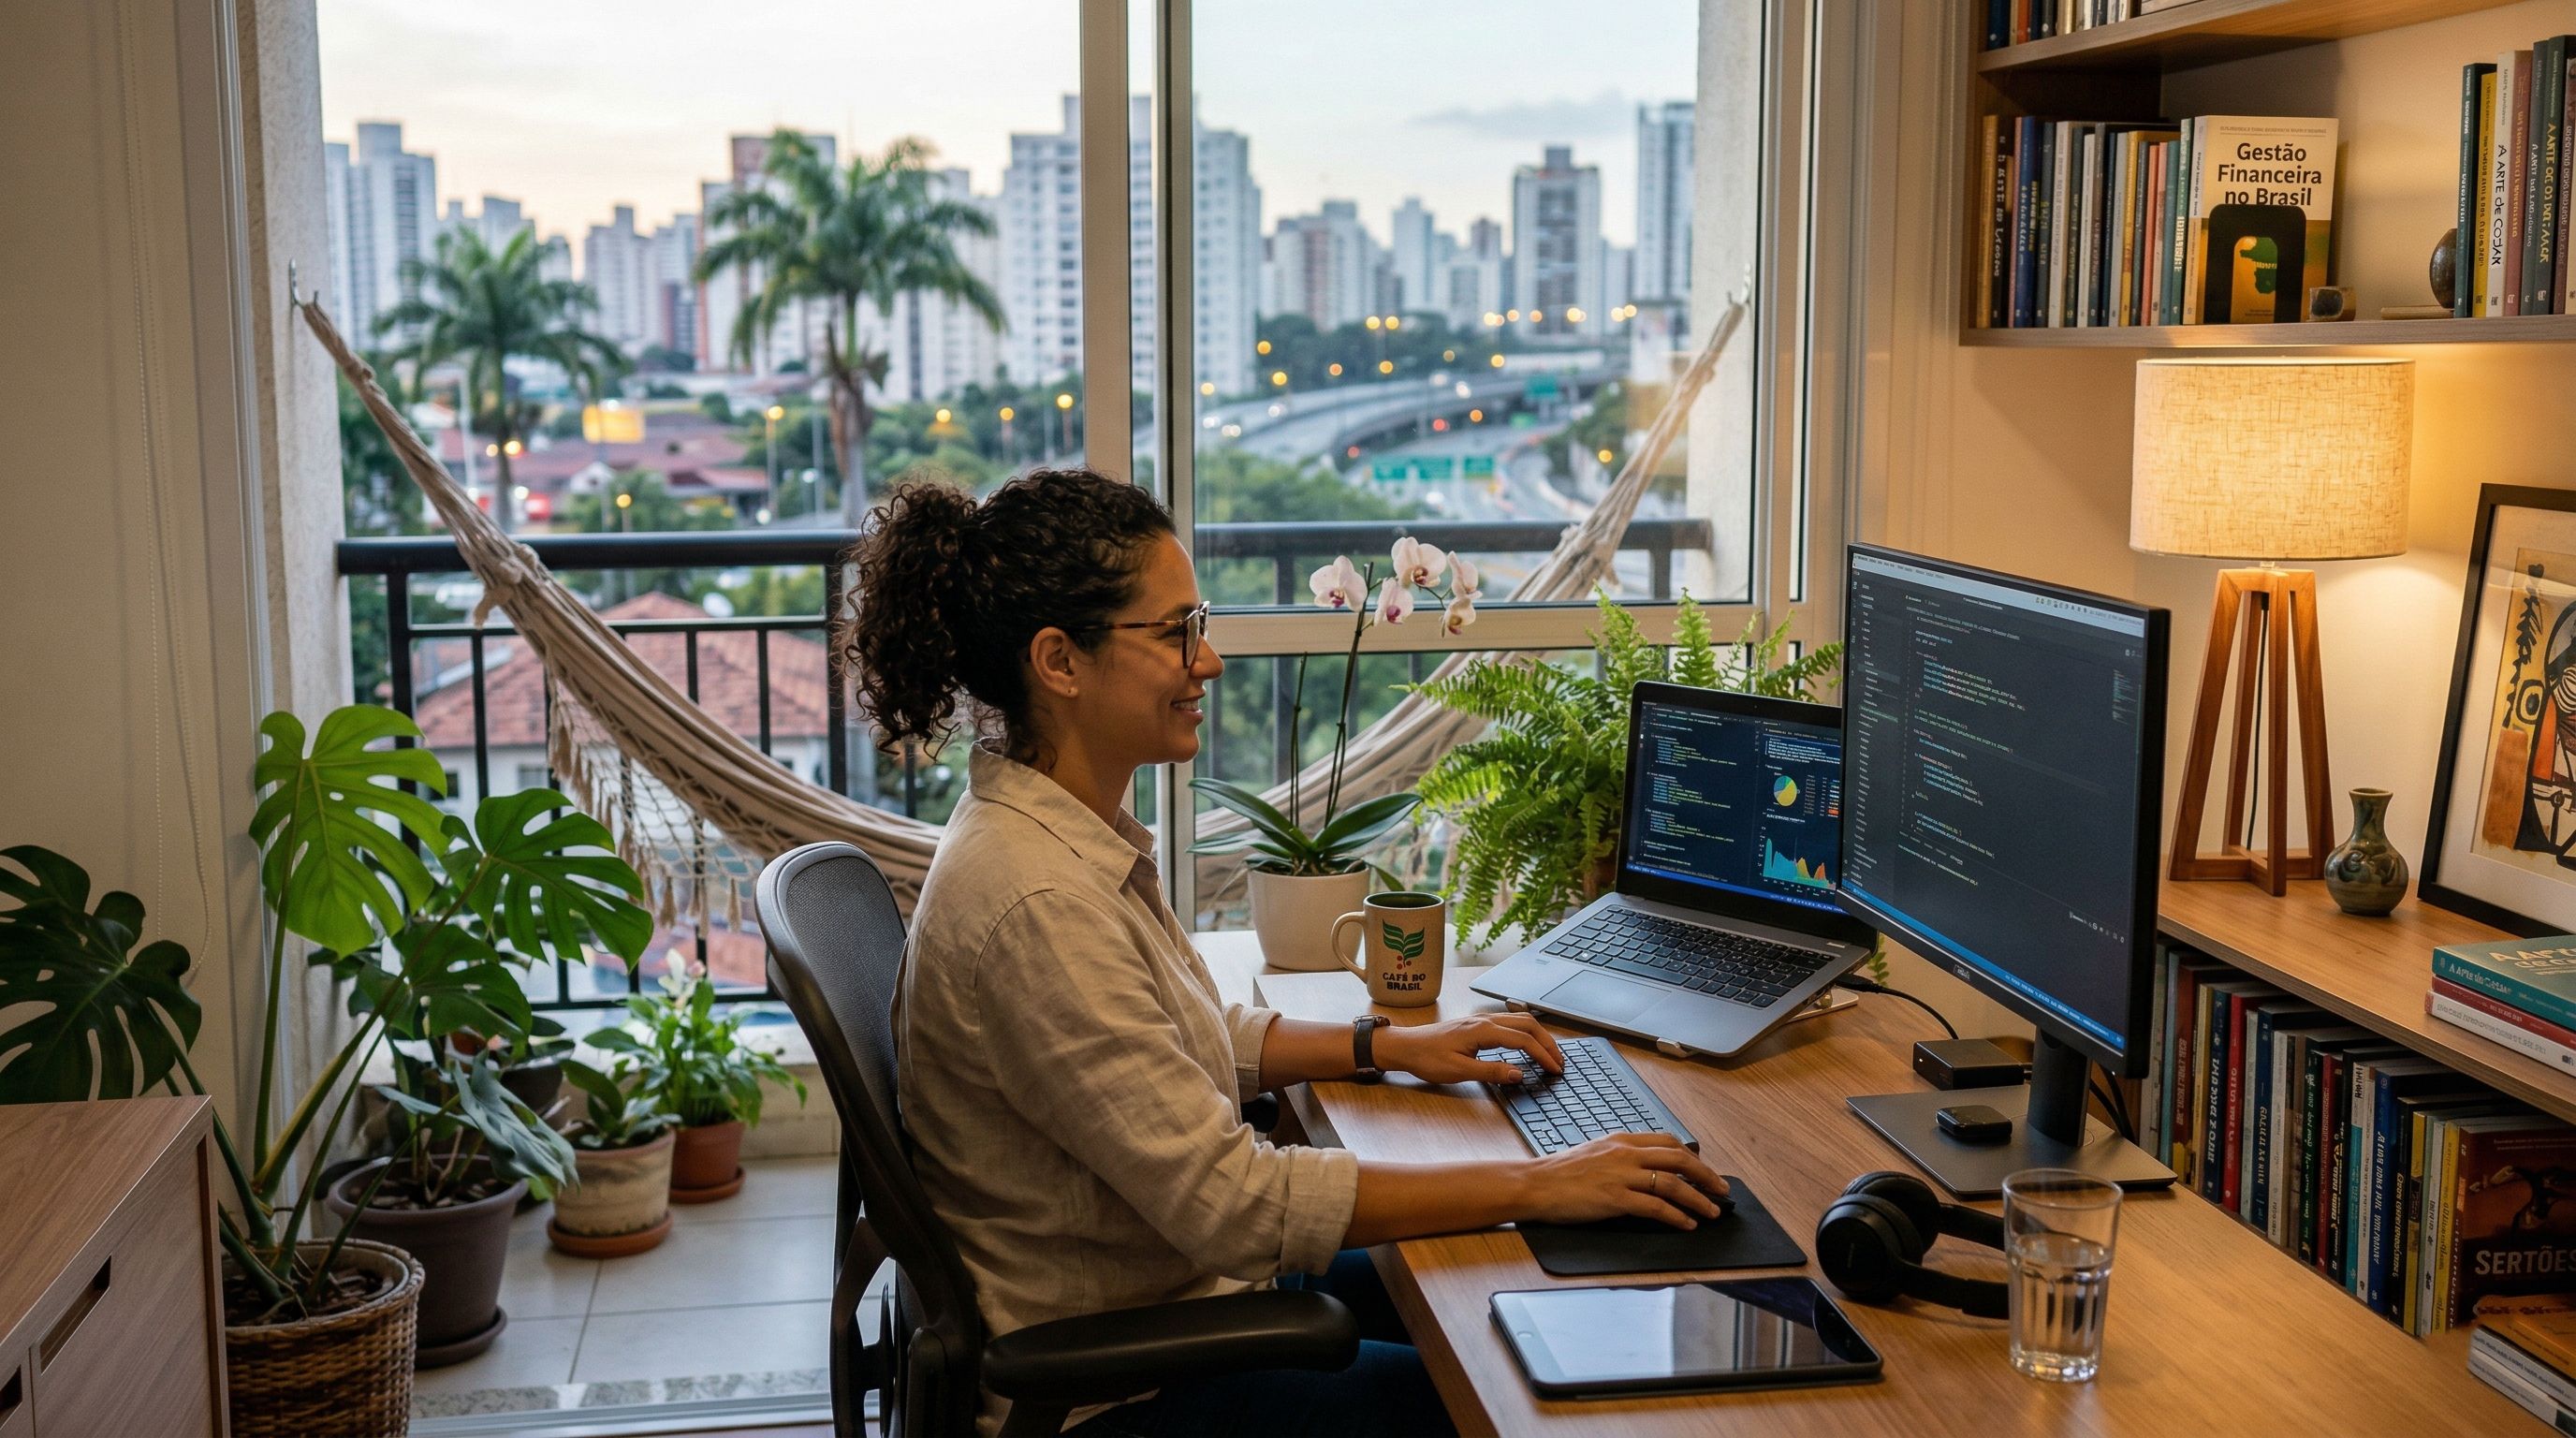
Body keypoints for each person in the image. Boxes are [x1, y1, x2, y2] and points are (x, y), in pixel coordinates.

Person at [842, 467, 1729, 1437]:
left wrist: (1384, 1046)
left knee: (1522, 1274)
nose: (1208, 660)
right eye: (1175, 631)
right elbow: (1234, 1202)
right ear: (1060, 660)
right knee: (1531, 1390)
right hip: (1120, 1387)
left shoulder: (1048, 835)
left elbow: (1173, 1039)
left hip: (1174, 1293)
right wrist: (1542, 1181)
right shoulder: (1037, 902)